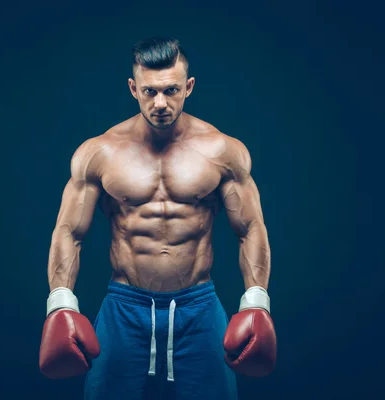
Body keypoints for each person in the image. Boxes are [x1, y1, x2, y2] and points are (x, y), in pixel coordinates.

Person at [38, 36, 277, 400]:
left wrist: (257, 300)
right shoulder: (99, 152)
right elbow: (69, 231)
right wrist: (60, 303)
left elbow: (250, 228)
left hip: (198, 308)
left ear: (189, 87)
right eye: (149, 91)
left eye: (171, 90)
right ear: (133, 88)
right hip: (124, 309)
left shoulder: (222, 151)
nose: (160, 103)